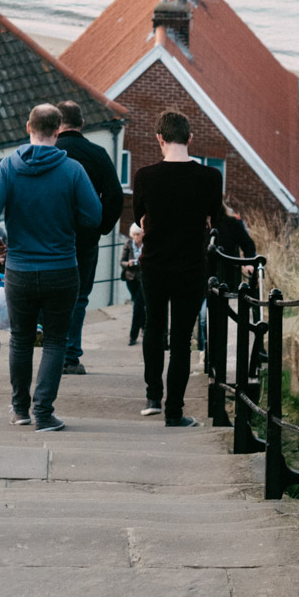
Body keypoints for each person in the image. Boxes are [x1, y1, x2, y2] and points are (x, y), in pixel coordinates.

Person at [0, 103, 101, 432]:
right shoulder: (72, 170)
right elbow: (94, 216)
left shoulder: (8, 167)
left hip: (19, 268)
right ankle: (43, 413)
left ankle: (20, 409)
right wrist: (67, 225)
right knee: (54, 341)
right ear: (59, 130)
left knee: (20, 340)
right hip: (62, 267)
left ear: (28, 126)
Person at [134, 112, 224, 428]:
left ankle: (151, 397)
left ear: (160, 138)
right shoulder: (211, 177)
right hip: (190, 266)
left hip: (154, 265)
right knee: (182, 340)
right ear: (190, 139)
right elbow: (216, 219)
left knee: (154, 328)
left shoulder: (144, 175)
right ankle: (174, 411)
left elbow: (139, 218)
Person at [55, 99, 124, 375]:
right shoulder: (97, 154)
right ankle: (70, 356)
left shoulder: (49, 151)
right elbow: (115, 197)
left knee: (52, 295)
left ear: (57, 124)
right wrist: (101, 227)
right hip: (85, 237)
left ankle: (52, 352)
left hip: (51, 235)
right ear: (82, 123)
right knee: (79, 296)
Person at [120, 223, 146, 346]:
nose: (136, 237)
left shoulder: (146, 245)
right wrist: (128, 263)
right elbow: (122, 262)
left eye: (138, 234)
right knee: (138, 304)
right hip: (131, 279)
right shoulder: (128, 244)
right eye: (134, 235)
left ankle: (133, 335)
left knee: (138, 306)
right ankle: (144, 325)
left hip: (142, 278)